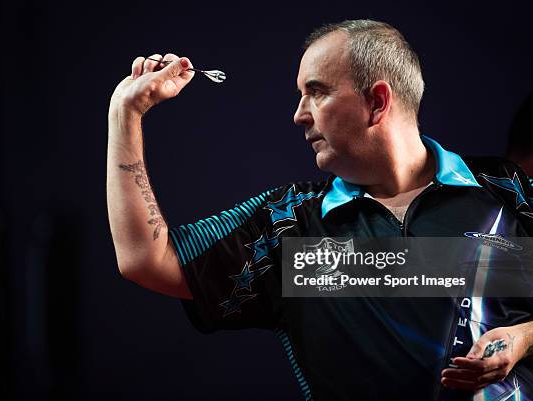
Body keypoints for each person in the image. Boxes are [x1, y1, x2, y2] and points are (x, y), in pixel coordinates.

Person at [107, 19, 533, 400]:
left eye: (317, 92)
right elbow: (148, 258)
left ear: (378, 102)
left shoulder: (505, 189)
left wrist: (525, 337)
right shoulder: (289, 226)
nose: (298, 115)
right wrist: (126, 113)